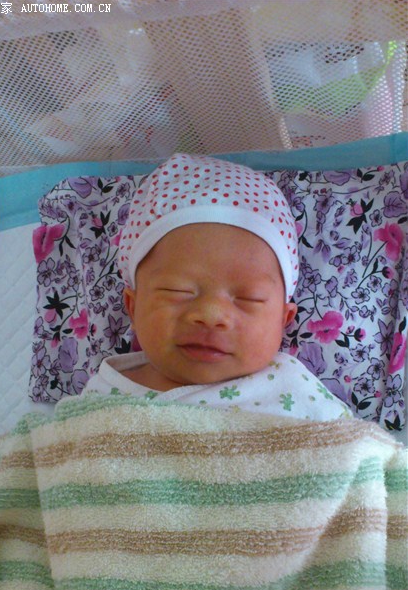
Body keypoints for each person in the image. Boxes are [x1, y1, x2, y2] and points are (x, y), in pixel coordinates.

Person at [84, 152, 352, 420]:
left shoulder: (295, 392)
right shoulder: (102, 396)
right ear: (133, 307)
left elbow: (356, 444)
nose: (211, 314)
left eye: (250, 298)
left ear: (283, 320)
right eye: (177, 291)